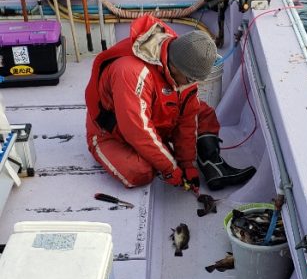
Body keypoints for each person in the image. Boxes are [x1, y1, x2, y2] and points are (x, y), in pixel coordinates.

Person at [85, 13, 257, 191]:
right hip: (112, 132)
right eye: (190, 78)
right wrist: (170, 168)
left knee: (202, 113)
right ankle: (155, 152)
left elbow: (187, 119)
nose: (192, 83)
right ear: (174, 67)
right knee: (140, 172)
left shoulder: (182, 61)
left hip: (152, 113)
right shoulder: (131, 72)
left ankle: (212, 166)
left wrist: (187, 164)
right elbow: (137, 131)